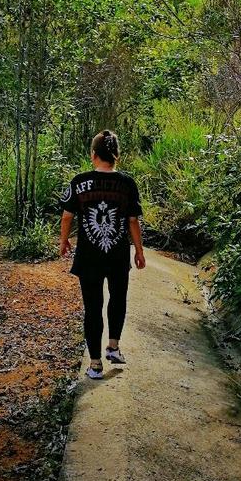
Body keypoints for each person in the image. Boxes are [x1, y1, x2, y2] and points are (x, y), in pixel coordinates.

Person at [59, 129, 145, 379]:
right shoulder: (127, 184)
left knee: (92, 307)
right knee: (118, 299)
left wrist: (64, 241)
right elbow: (132, 221)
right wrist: (139, 251)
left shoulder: (79, 181)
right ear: (116, 155)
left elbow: (67, 216)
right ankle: (114, 348)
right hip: (117, 255)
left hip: (89, 257)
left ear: (93, 154)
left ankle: (95, 363)